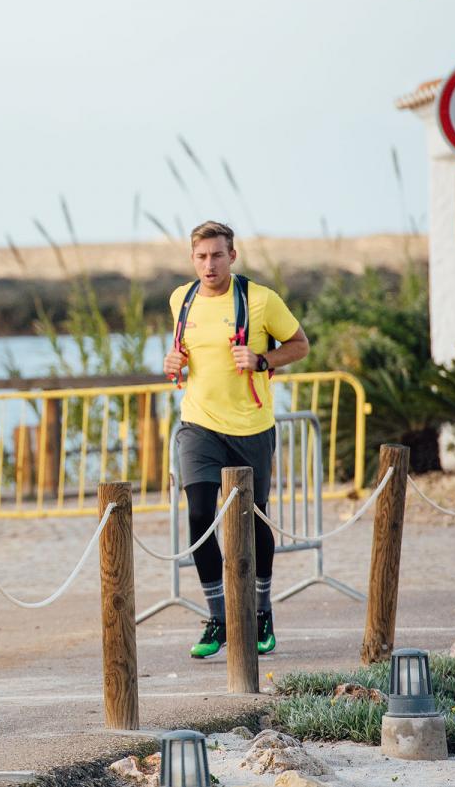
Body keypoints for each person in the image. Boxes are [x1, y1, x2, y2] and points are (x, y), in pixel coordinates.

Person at [162, 221, 309, 659]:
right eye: (201, 256)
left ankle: (261, 613)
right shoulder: (181, 299)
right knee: (200, 516)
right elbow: (186, 355)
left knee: (254, 521)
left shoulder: (260, 300)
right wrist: (174, 362)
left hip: (250, 428)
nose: (209, 264)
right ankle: (219, 618)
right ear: (193, 259)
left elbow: (300, 345)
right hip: (198, 425)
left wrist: (262, 359)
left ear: (232, 256)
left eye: (217, 255)